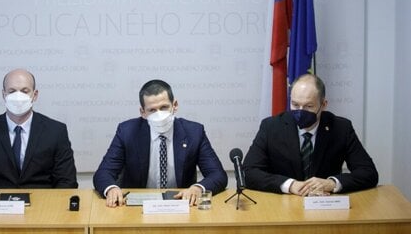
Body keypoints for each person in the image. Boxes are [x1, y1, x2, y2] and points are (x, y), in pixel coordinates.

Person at [93, 79, 228, 207]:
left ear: (174, 105)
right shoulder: (127, 132)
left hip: (181, 203)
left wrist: (198, 188)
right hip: (137, 206)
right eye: (152, 110)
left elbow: (218, 175)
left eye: (164, 107)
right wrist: (111, 189)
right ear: (143, 112)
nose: (159, 114)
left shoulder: (194, 132)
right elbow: (103, 173)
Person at [243, 73, 378, 196]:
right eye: (295, 105)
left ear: (323, 104)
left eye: (308, 106)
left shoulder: (341, 128)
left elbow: (368, 173)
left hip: (325, 206)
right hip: (283, 205)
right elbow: (249, 172)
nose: (300, 112)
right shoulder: (271, 127)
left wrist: (332, 183)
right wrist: (289, 185)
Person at [0, 68, 78, 188]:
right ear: (4, 95)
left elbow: (67, 181)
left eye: (24, 91)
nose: (18, 96)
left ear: (35, 95)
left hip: (42, 203)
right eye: (12, 91)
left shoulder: (56, 131)